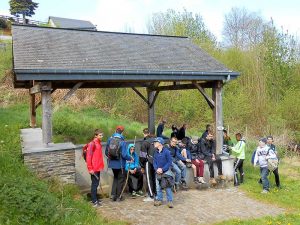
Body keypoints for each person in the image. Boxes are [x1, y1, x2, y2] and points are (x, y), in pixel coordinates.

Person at [105, 125, 133, 201]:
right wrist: (130, 158)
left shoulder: (109, 139)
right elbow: (124, 155)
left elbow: (106, 152)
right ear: (122, 132)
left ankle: (113, 195)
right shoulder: (122, 142)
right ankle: (118, 196)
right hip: (120, 164)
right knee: (121, 179)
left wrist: (112, 158)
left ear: (115, 131)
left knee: (116, 178)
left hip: (112, 164)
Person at [153, 137, 174, 208]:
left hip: (166, 172)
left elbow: (169, 162)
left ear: (160, 143)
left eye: (155, 142)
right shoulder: (155, 152)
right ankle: (159, 199)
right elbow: (154, 162)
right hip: (158, 172)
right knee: (158, 187)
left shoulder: (167, 152)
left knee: (167, 187)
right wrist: (156, 169)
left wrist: (162, 169)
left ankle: (170, 201)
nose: (154, 143)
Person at [86, 129, 105, 207]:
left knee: (96, 184)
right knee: (94, 184)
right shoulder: (92, 144)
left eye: (102, 135)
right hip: (93, 168)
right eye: (100, 135)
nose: (101, 136)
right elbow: (88, 156)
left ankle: (95, 199)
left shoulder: (98, 143)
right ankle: (94, 201)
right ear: (95, 136)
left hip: (98, 168)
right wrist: (90, 168)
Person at [139, 128, 156, 202]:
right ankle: (156, 193)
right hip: (156, 162)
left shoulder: (145, 142)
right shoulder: (157, 140)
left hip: (148, 162)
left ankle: (151, 195)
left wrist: (142, 165)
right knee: (154, 178)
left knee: (149, 179)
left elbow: (142, 156)